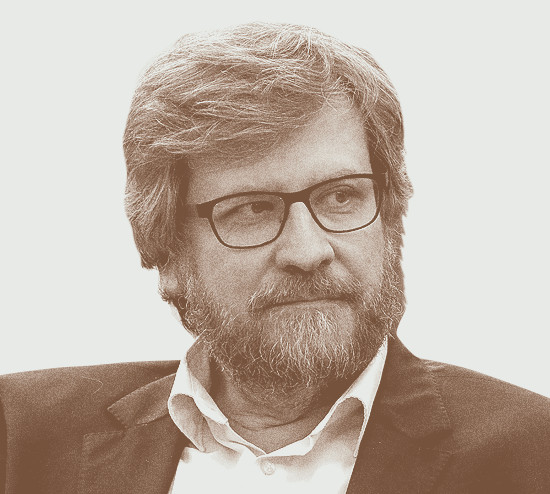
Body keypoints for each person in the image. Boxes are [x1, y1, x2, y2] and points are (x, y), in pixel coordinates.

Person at [1, 22, 549, 494]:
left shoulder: (531, 454)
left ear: (392, 220)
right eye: (251, 210)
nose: (308, 251)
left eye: (342, 196)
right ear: (168, 254)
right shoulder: (20, 437)